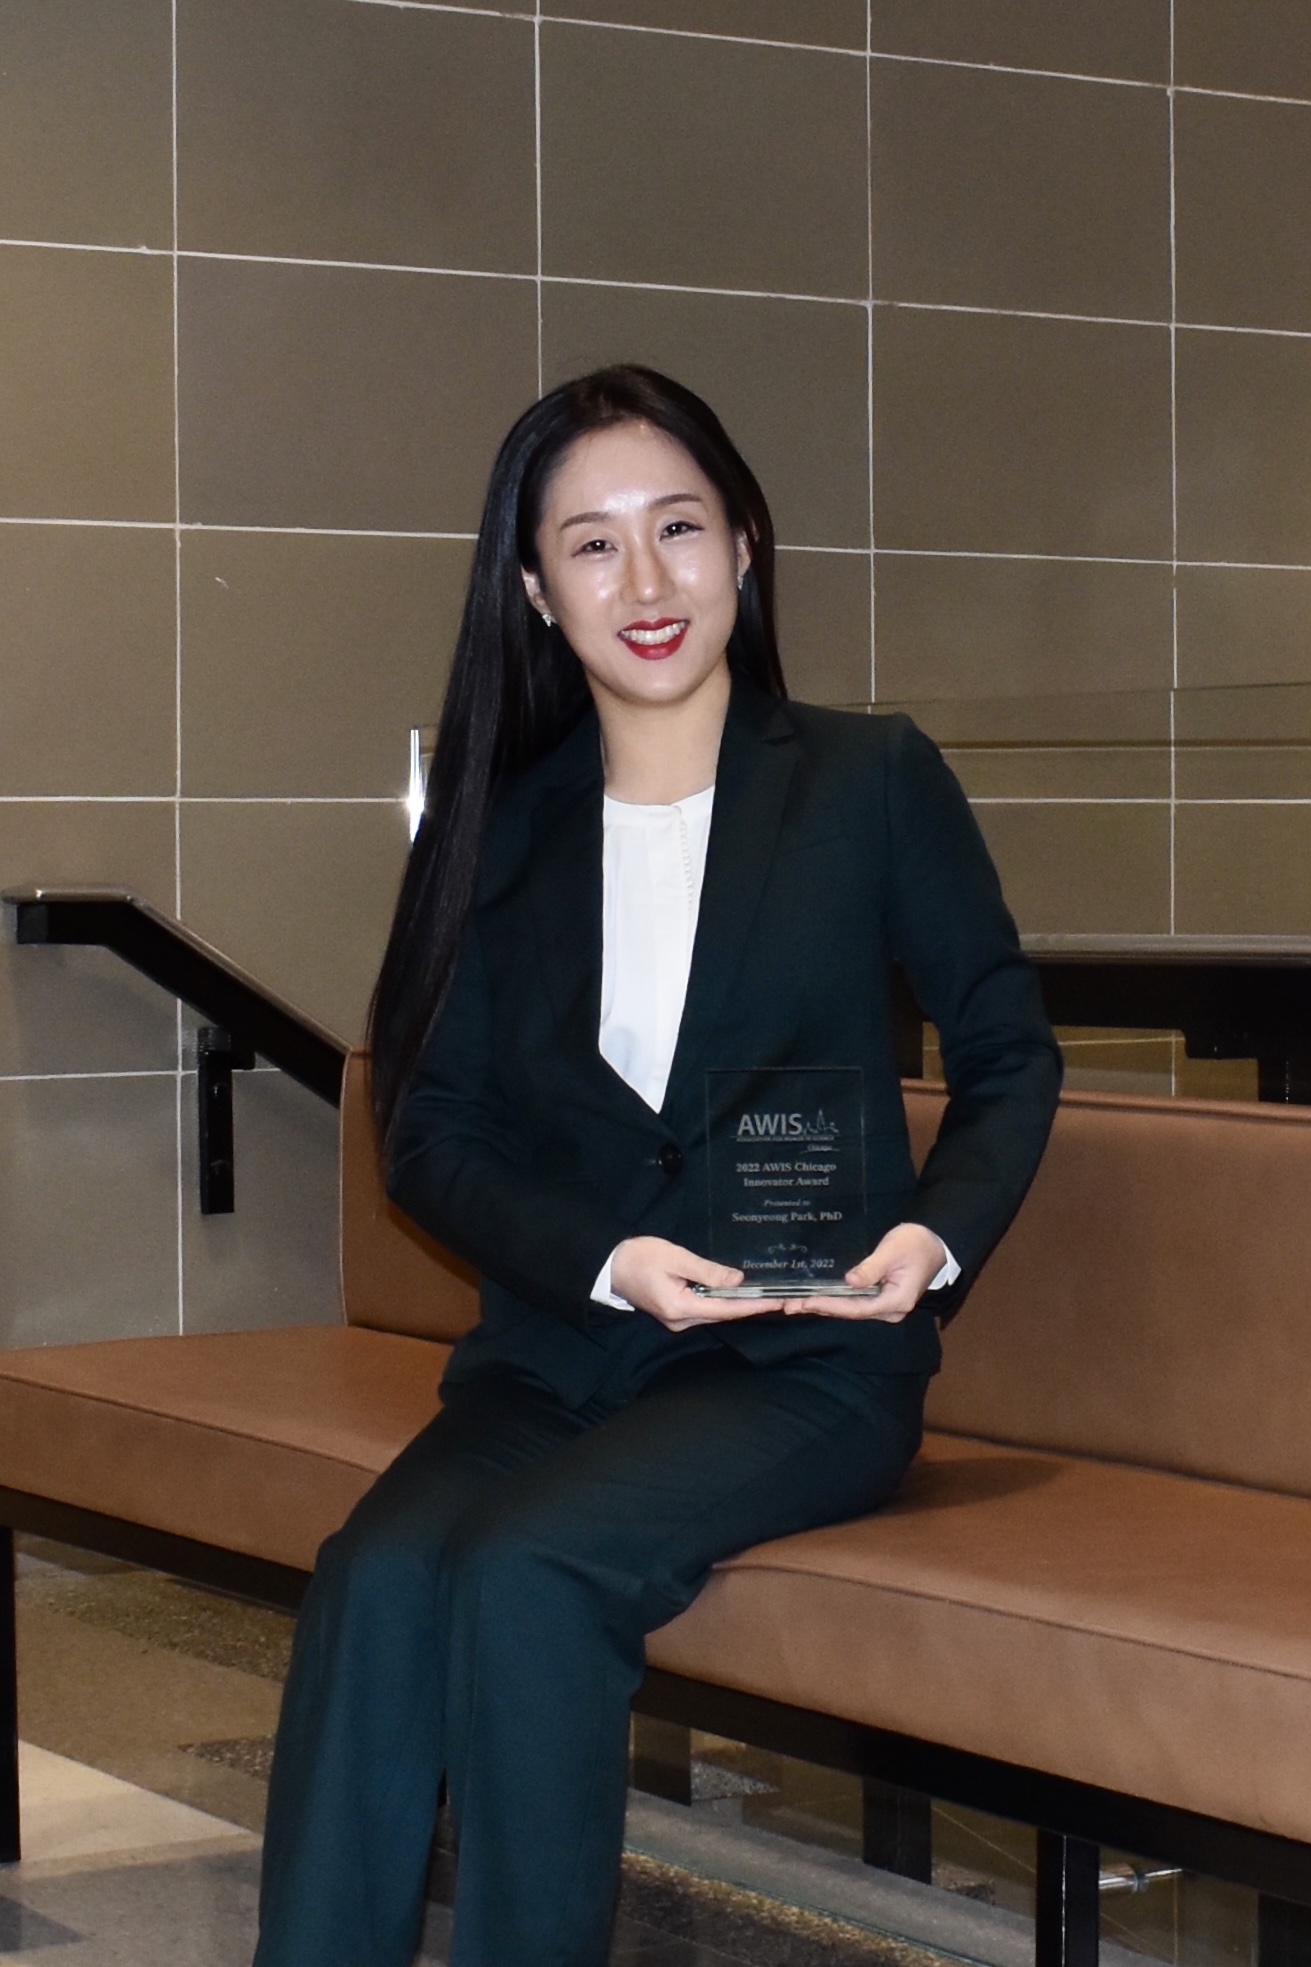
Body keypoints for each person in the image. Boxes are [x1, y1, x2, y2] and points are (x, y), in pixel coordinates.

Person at [253, 365, 1062, 1967]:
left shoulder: (869, 779)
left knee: (529, 1570)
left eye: (680, 528)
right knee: (380, 1578)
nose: (647, 581)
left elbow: (1009, 1051)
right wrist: (605, 1260)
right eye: (594, 545)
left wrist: (936, 1242)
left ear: (746, 546)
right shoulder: (501, 825)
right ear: (536, 592)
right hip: (557, 1358)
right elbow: (433, 1134)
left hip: (800, 1365)